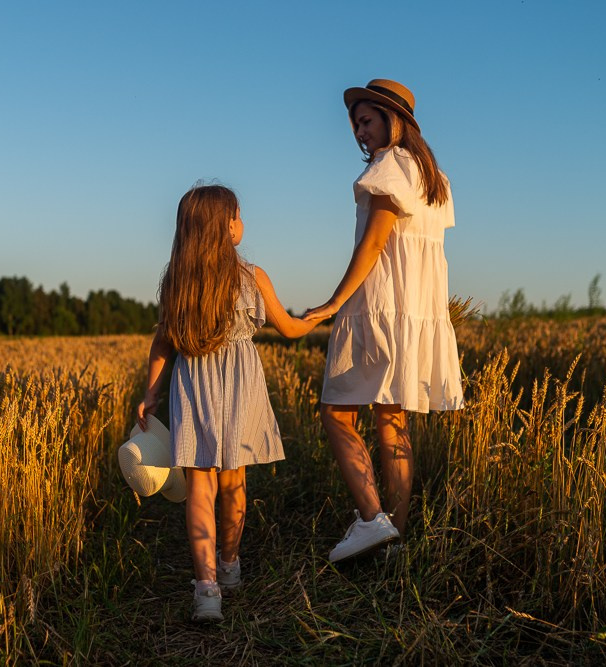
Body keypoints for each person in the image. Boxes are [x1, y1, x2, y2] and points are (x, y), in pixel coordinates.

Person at [137, 184, 316, 622]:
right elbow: (290, 329)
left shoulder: (177, 281)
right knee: (234, 481)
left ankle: (206, 590)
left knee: (200, 485)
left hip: (192, 383)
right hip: (240, 384)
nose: (242, 223)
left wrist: (151, 393)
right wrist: (321, 314)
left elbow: (162, 342)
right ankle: (230, 565)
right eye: (238, 215)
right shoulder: (253, 277)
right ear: (226, 227)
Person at [303, 79, 464, 563]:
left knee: (336, 412)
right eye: (355, 124)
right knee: (393, 422)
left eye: (366, 120)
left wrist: (333, 303)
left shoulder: (390, 166)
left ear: (395, 120)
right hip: (414, 311)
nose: (359, 132)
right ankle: (395, 540)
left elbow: (374, 243)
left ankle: (373, 520)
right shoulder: (432, 176)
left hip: (378, 308)